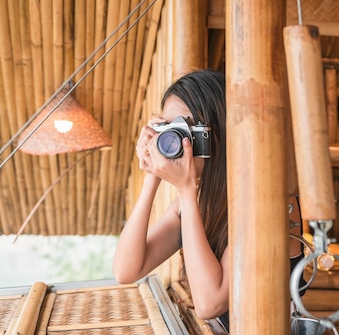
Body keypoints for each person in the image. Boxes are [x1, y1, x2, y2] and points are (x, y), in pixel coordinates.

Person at [113, 69, 306, 332]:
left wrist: (186, 190)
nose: (178, 140)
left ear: (221, 131)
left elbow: (210, 303)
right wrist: (151, 173)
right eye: (170, 129)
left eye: (189, 128)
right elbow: (127, 270)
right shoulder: (197, 199)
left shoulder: (271, 201)